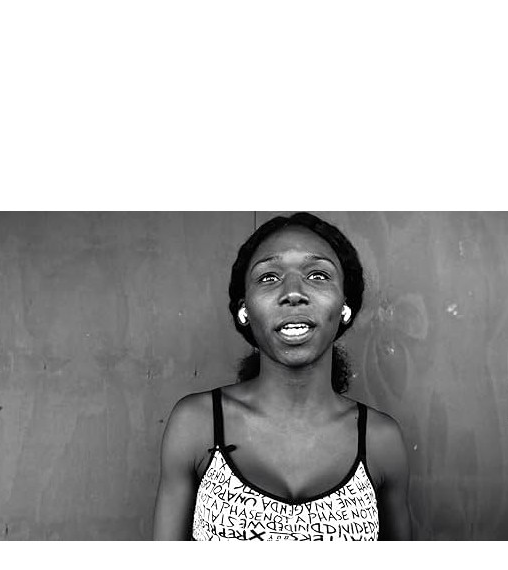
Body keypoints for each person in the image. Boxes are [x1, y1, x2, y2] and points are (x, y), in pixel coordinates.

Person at [152, 212, 412, 541]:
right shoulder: (196, 424)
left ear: (345, 304)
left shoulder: (380, 440)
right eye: (269, 277)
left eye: (318, 275)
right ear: (244, 309)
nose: (293, 292)